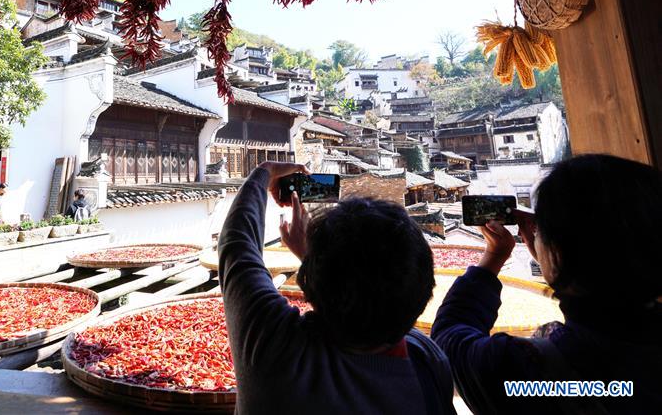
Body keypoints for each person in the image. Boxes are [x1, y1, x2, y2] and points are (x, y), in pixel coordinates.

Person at [218, 161, 455, 414]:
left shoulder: (276, 354)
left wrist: (265, 171)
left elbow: (237, 243)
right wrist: (313, 261)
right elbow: (371, 299)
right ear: (424, 288)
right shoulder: (428, 363)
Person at [432, 154, 662, 414]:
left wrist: (495, 255)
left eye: (541, 230)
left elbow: (450, 340)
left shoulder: (531, 372)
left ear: (559, 252)